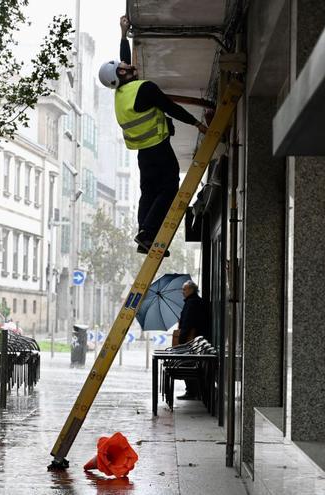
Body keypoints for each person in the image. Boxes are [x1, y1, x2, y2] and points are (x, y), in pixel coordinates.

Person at [98, 16, 208, 256]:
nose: (127, 65)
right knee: (168, 188)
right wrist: (198, 124)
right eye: (123, 68)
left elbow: (124, 58)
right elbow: (171, 108)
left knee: (148, 193)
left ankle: (143, 238)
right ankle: (147, 232)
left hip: (143, 152)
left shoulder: (121, 94)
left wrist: (123, 34)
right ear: (120, 77)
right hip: (158, 148)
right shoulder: (144, 89)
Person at [175, 280, 208, 400]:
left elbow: (189, 323)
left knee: (186, 364)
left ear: (191, 290)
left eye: (185, 289)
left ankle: (191, 391)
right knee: (189, 364)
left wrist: (181, 340)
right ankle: (193, 391)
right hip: (195, 339)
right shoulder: (194, 302)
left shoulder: (192, 303)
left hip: (190, 341)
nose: (183, 292)